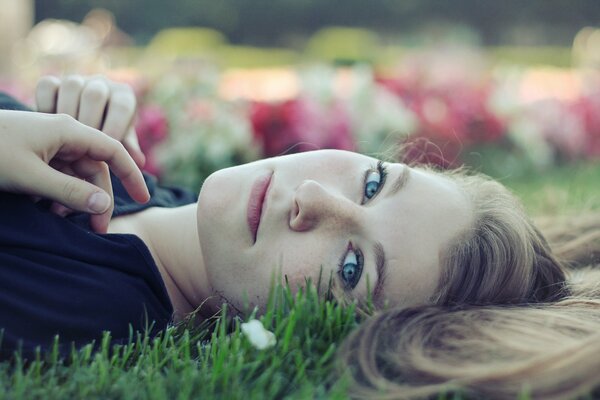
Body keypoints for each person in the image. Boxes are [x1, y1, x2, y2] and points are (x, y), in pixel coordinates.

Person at [0, 75, 598, 396]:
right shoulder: (137, 185)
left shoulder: (84, 308)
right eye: (371, 183)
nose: (315, 199)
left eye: (349, 268)